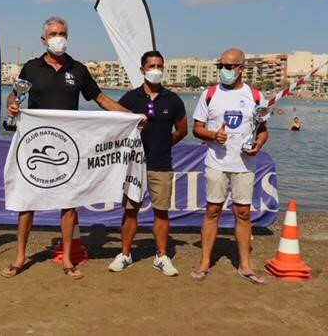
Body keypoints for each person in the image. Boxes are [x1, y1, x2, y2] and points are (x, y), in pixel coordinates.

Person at [0, 16, 135, 280]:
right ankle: (20, 256)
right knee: (27, 203)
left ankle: (68, 259)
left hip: (69, 147)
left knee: (69, 204)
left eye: (62, 33)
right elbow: (15, 94)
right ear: (44, 39)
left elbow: (101, 99)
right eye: (53, 34)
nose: (58, 37)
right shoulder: (31, 67)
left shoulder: (79, 69)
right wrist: (12, 104)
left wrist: (131, 116)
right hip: (35, 145)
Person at [191, 48, 269, 284]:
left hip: (244, 164)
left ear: (241, 68)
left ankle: (245, 265)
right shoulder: (209, 94)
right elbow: (197, 129)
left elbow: (263, 132)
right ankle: (205, 262)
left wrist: (258, 145)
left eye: (228, 66)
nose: (223, 71)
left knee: (243, 213)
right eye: (221, 66)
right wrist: (213, 135)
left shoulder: (256, 96)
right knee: (212, 211)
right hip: (216, 162)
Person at [109, 50, 188, 276]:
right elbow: (115, 127)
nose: (156, 70)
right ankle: (125, 254)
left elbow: (182, 130)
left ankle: (162, 256)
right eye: (152, 66)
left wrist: (164, 143)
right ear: (142, 69)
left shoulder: (173, 99)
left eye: (160, 66)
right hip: (133, 165)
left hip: (161, 164)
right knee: (130, 211)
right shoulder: (130, 98)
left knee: (161, 212)